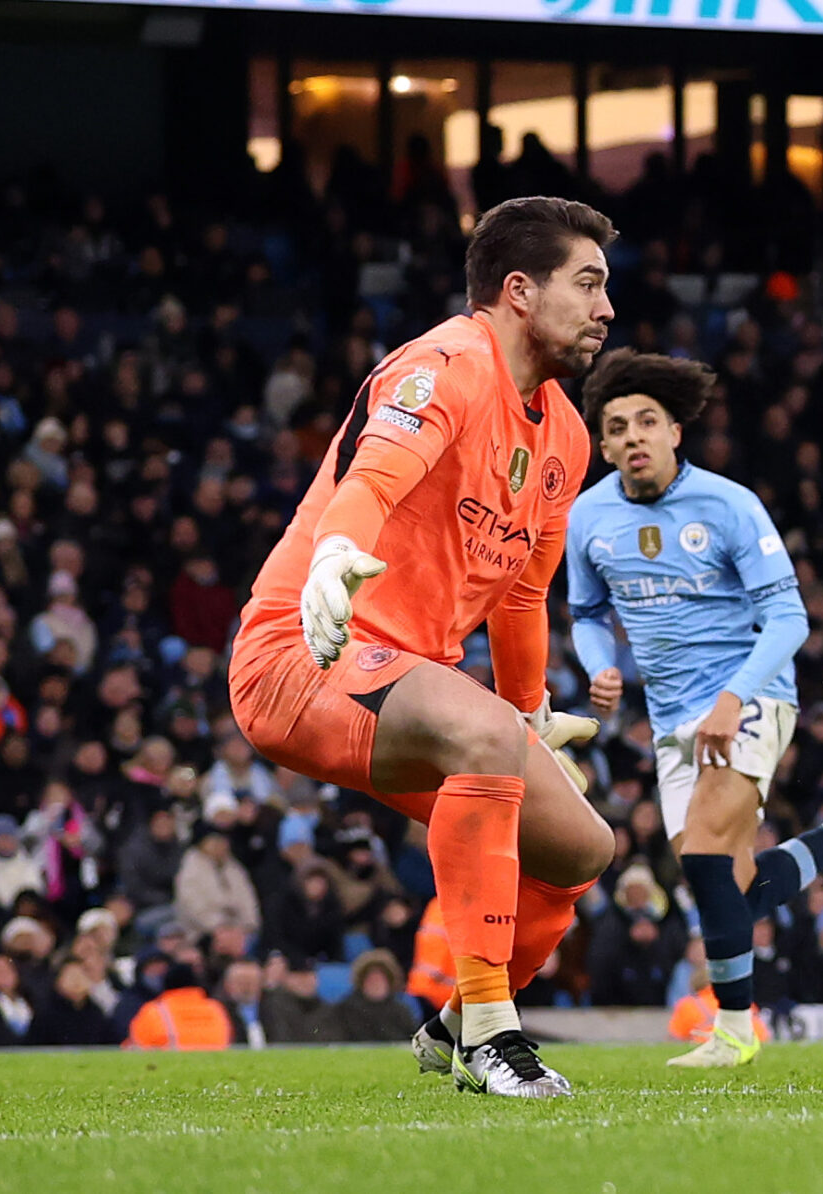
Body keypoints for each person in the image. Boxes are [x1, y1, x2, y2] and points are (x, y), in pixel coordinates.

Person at [227, 197, 622, 1097]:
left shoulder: (564, 432)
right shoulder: (445, 365)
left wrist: (529, 710)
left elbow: (521, 593)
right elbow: (372, 480)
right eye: (589, 283)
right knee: (482, 736)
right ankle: (492, 1035)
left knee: (581, 848)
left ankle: (451, 1025)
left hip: (405, 683)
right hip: (303, 653)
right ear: (519, 291)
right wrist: (334, 554)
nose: (607, 308)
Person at [567, 348, 823, 1070]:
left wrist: (733, 698)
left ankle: (734, 1030)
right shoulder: (587, 516)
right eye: (617, 428)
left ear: (675, 432)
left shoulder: (729, 504)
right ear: (601, 446)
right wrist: (599, 665)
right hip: (671, 719)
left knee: (704, 859)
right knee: (727, 889)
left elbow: (790, 619)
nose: (634, 437)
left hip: (751, 695)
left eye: (647, 422)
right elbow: (585, 614)